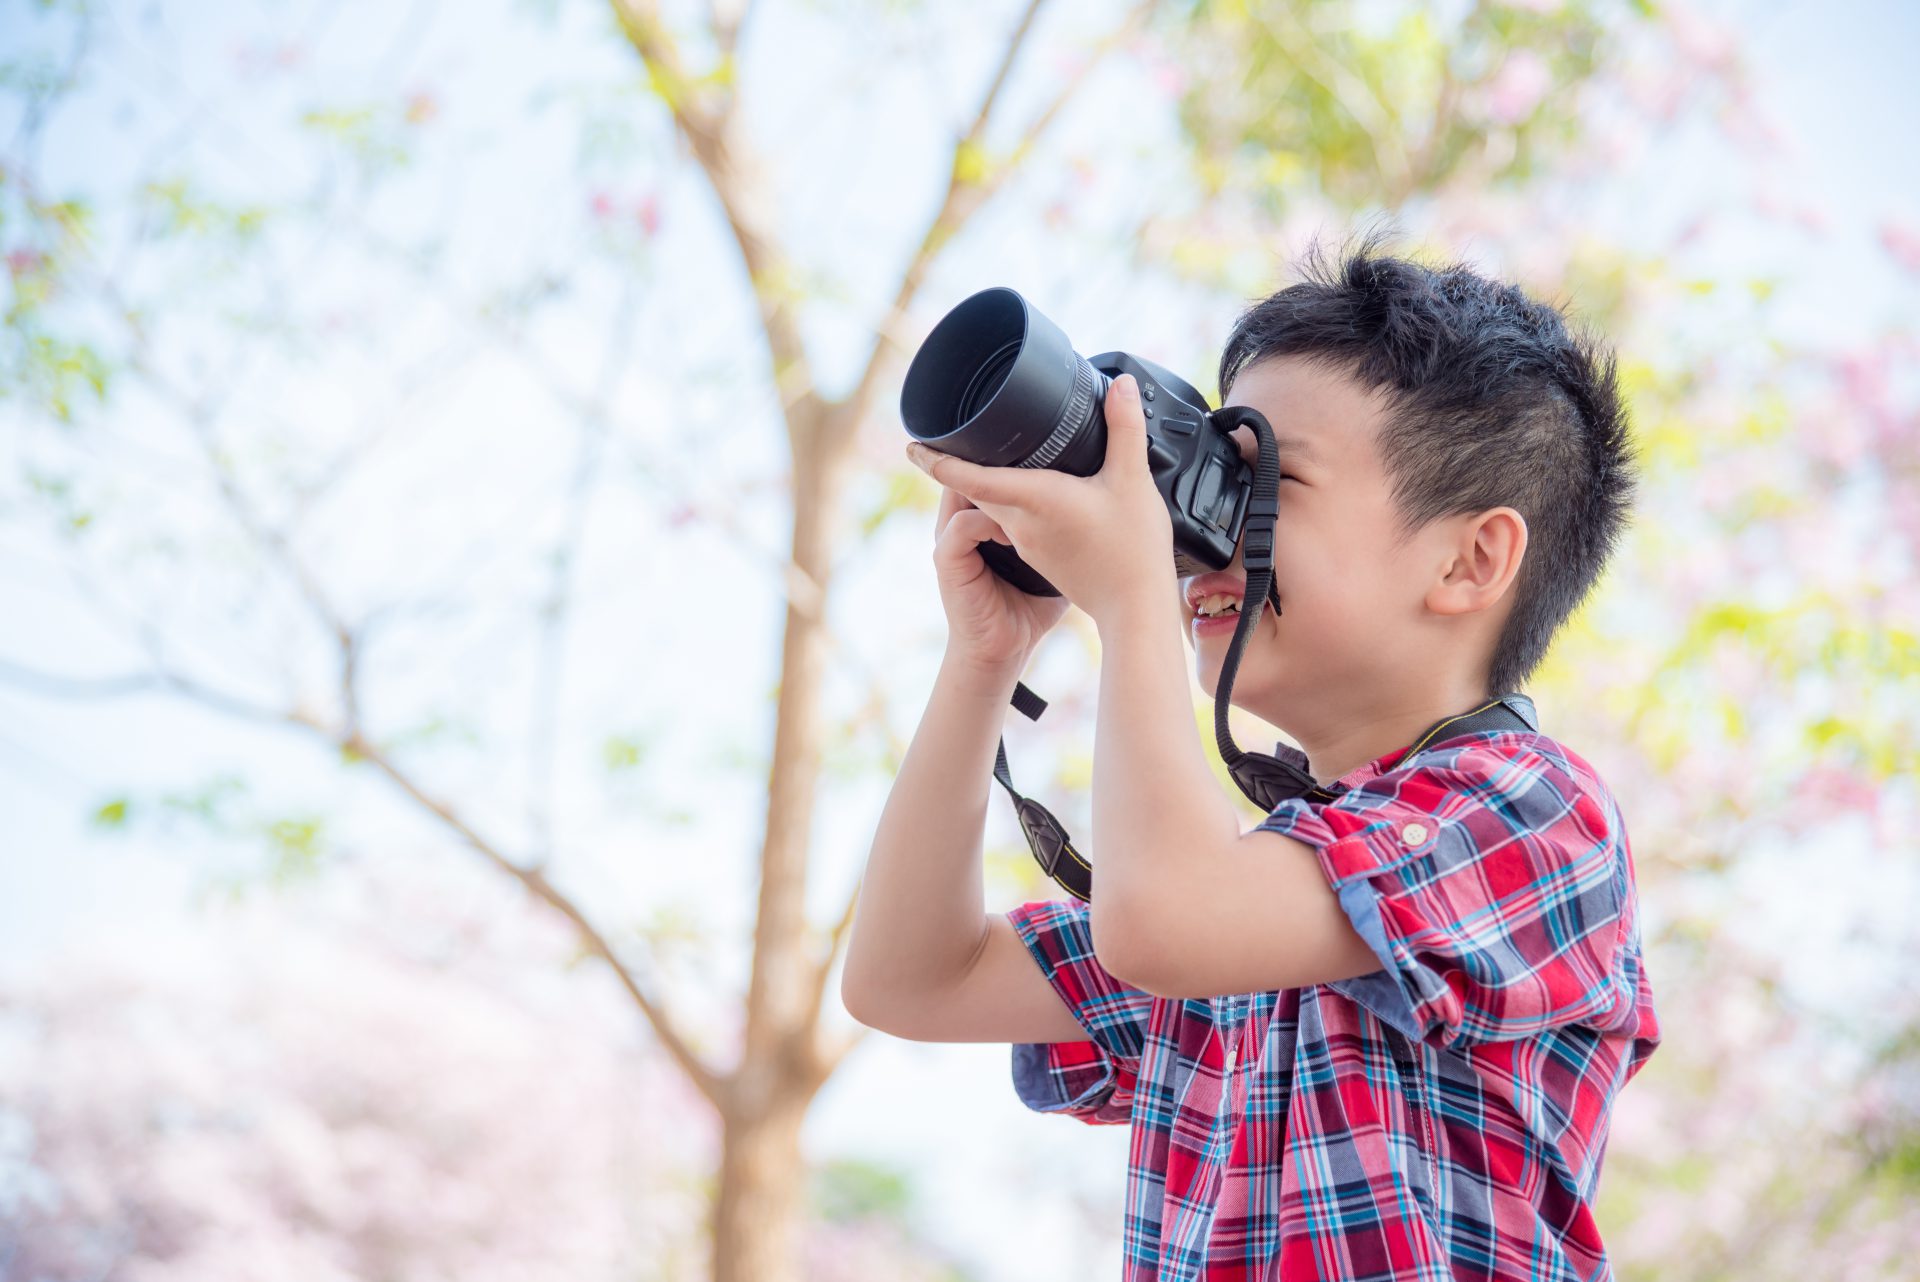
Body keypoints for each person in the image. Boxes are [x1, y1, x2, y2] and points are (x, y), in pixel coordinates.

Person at [840, 234, 1662, 1281]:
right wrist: (985, 659)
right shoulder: (1248, 897)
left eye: (1275, 479)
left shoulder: (1534, 813)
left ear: (1470, 559)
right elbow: (913, 979)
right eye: (1215, 472)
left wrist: (1131, 595)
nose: (1203, 536)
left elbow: (1168, 921)